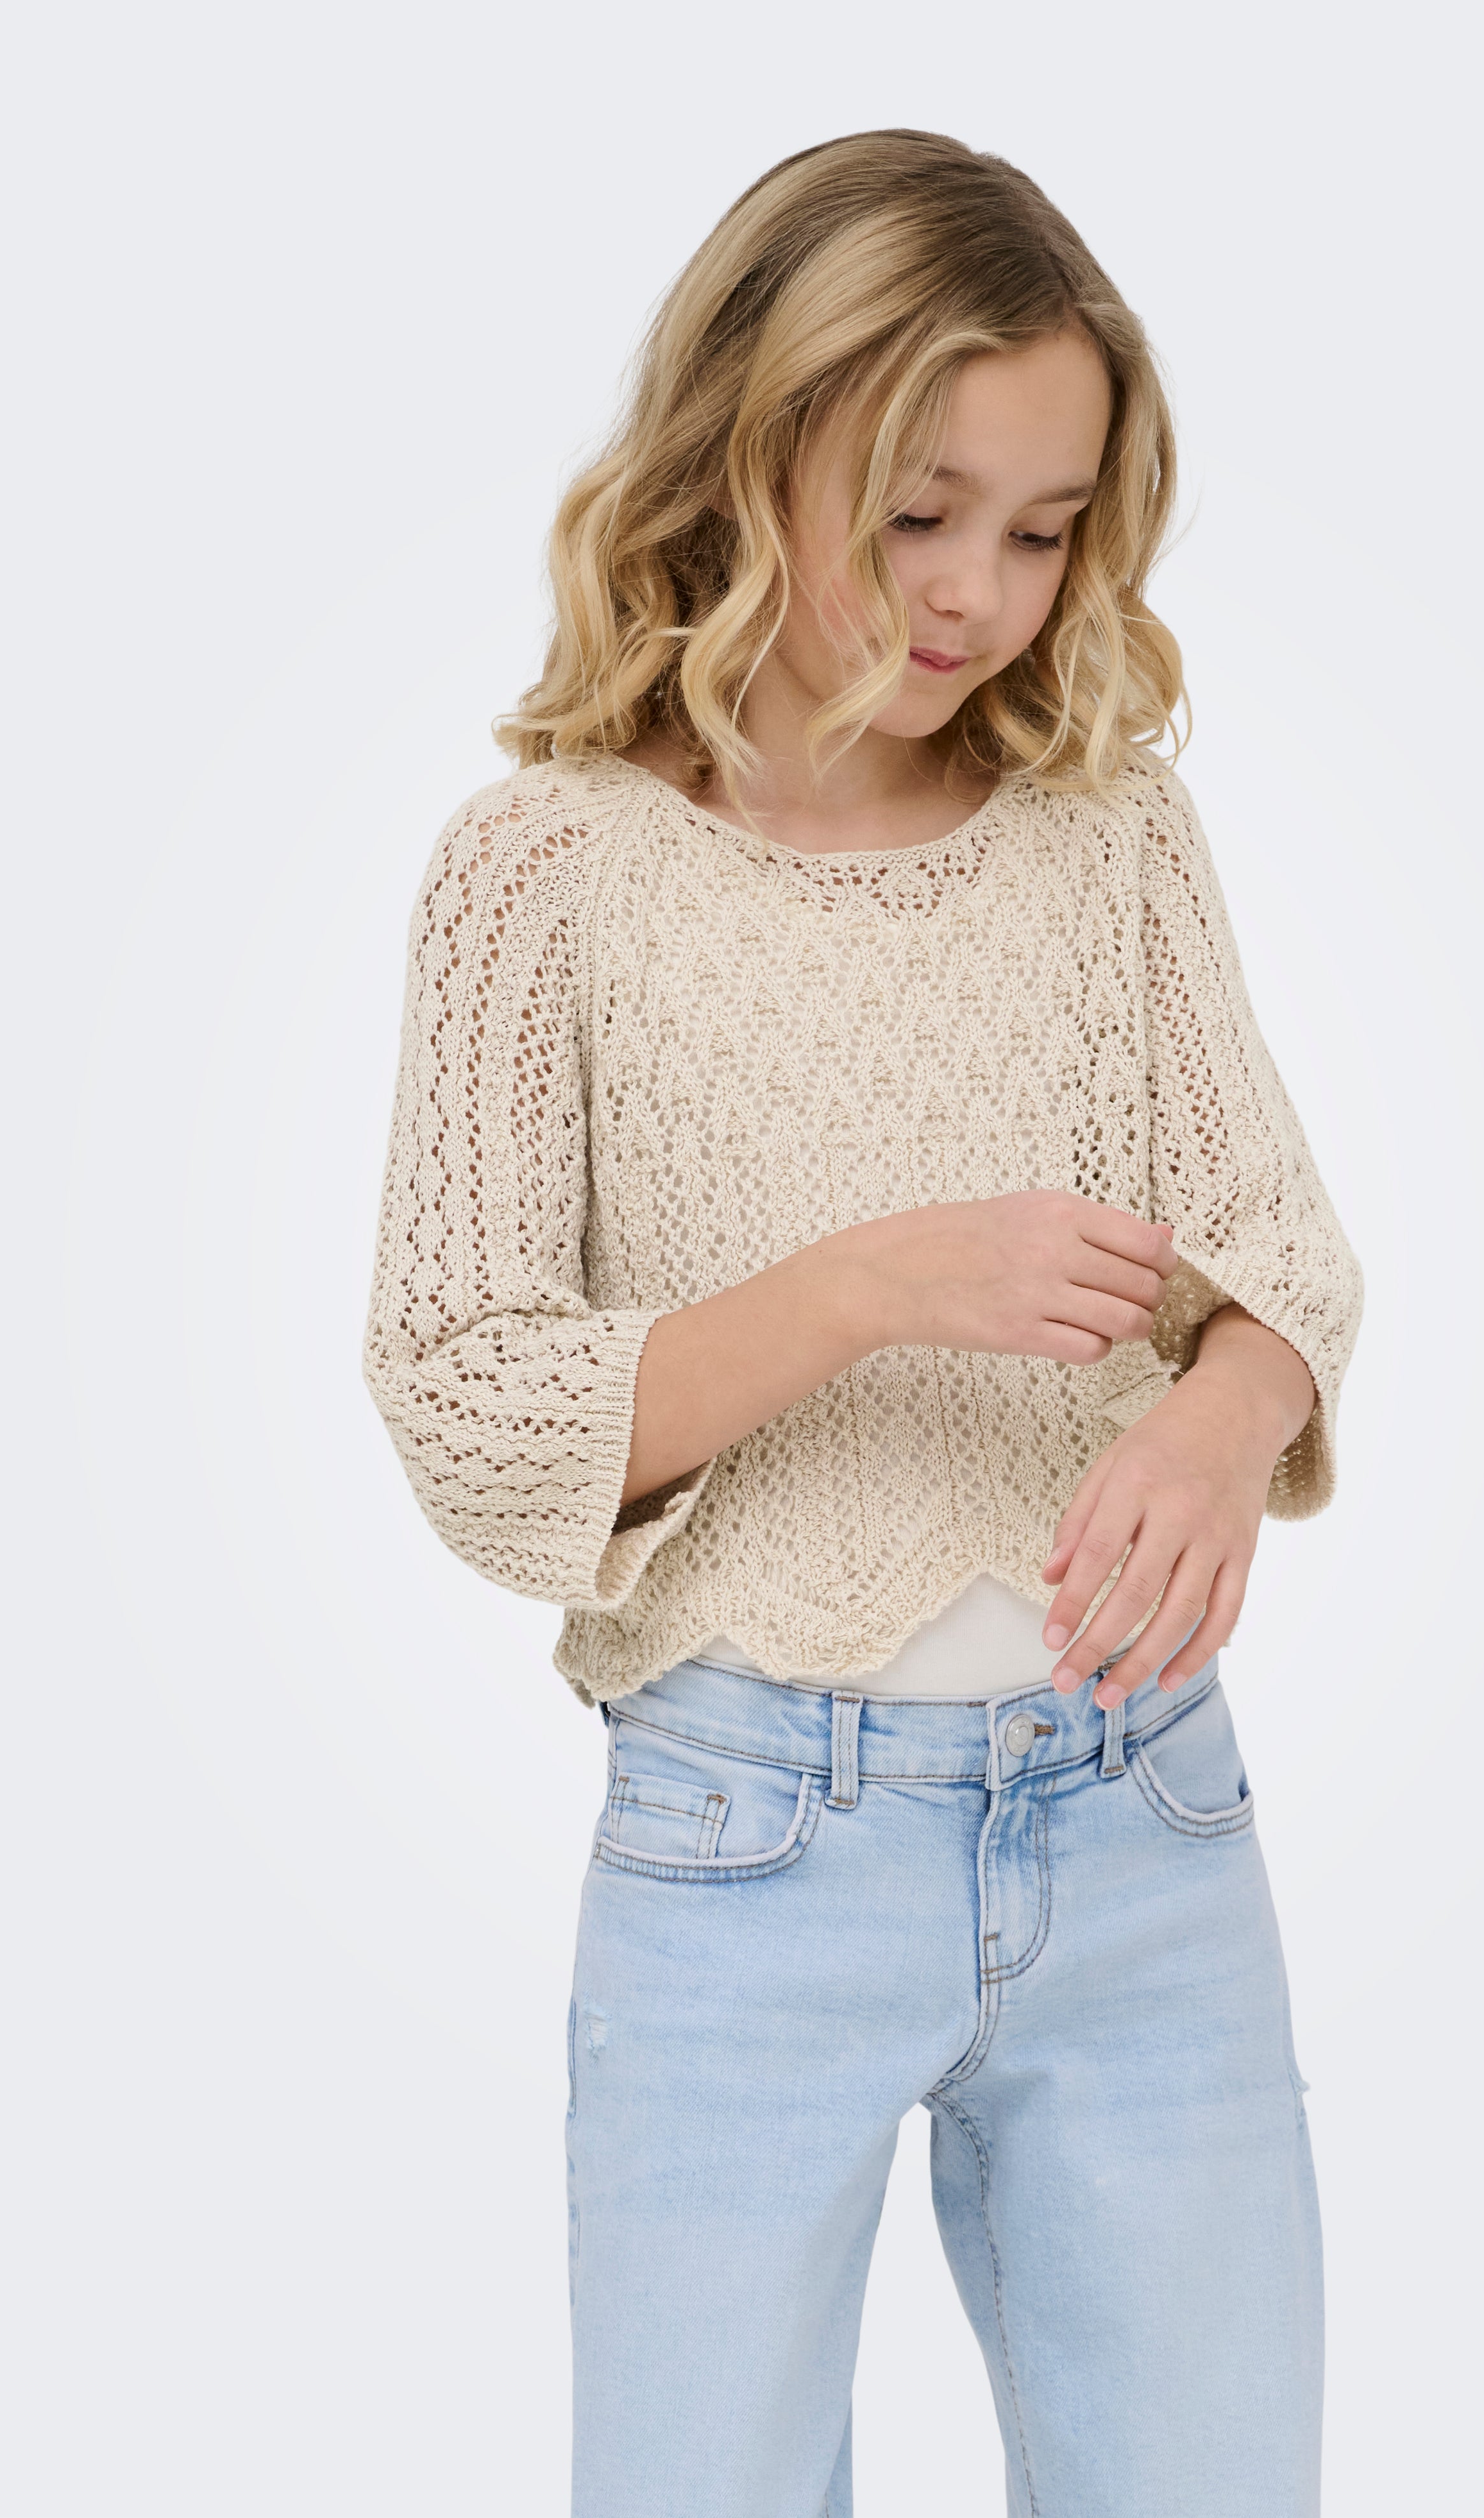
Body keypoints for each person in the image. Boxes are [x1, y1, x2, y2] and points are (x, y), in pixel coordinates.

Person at [363, 128, 1362, 2518]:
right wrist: (866, 1290)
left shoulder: (1110, 836)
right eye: (921, 512)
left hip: (1142, 1812)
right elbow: (472, 1407)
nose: (980, 594)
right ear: (750, 440)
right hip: (745, 1840)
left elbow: (1284, 1252)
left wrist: (1226, 1415)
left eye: (1045, 529)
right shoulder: (543, 874)